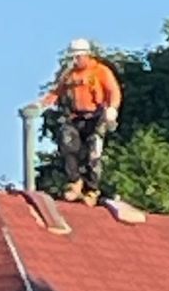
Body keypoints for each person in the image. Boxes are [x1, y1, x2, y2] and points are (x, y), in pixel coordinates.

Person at [26, 39, 122, 203]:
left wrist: (112, 108)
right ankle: (75, 182)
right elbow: (56, 92)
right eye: (73, 57)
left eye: (78, 57)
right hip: (75, 117)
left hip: (96, 118)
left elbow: (114, 91)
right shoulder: (70, 75)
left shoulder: (100, 71)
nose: (75, 60)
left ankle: (92, 190)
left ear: (86, 55)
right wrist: (41, 103)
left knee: (93, 154)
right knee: (67, 145)